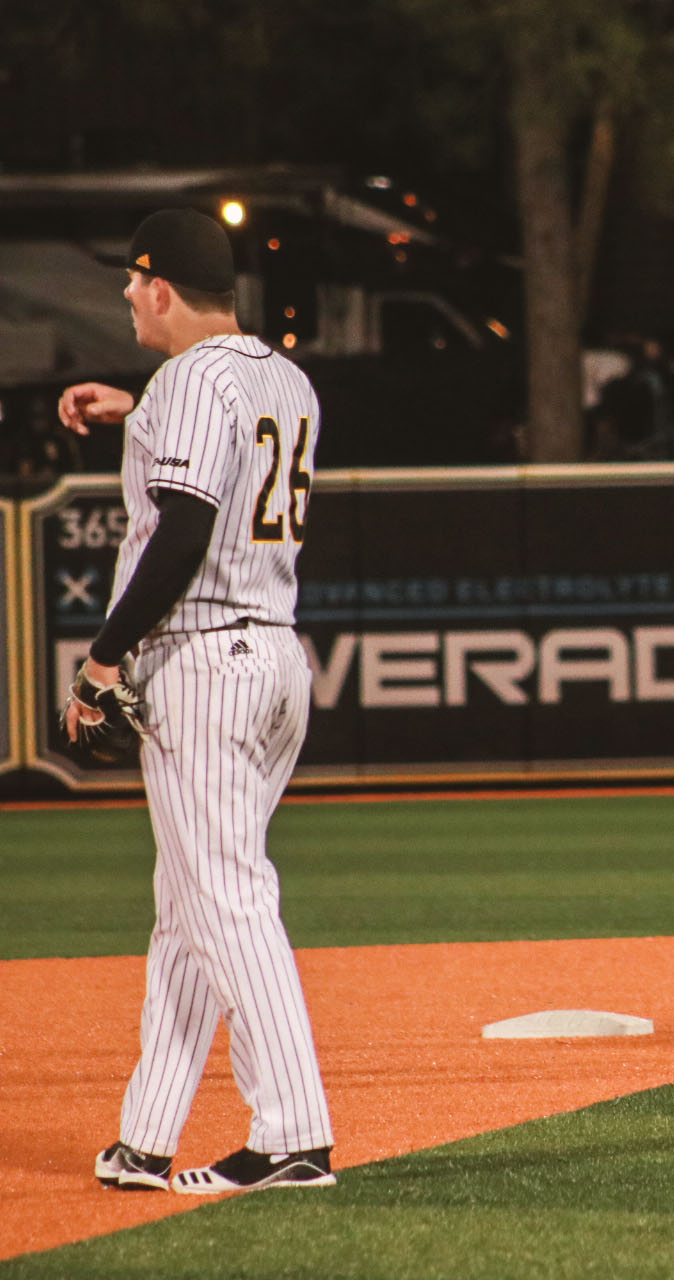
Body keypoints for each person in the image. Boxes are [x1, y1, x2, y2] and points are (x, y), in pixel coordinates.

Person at [57, 208, 336, 1193]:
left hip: (206, 663)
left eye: (134, 281)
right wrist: (137, 411)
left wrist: (102, 659)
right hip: (276, 660)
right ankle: (145, 1136)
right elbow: (225, 434)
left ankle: (294, 1132)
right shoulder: (283, 377)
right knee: (187, 906)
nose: (127, 295)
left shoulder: (186, 382)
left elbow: (183, 529)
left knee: (226, 899)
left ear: (164, 287)